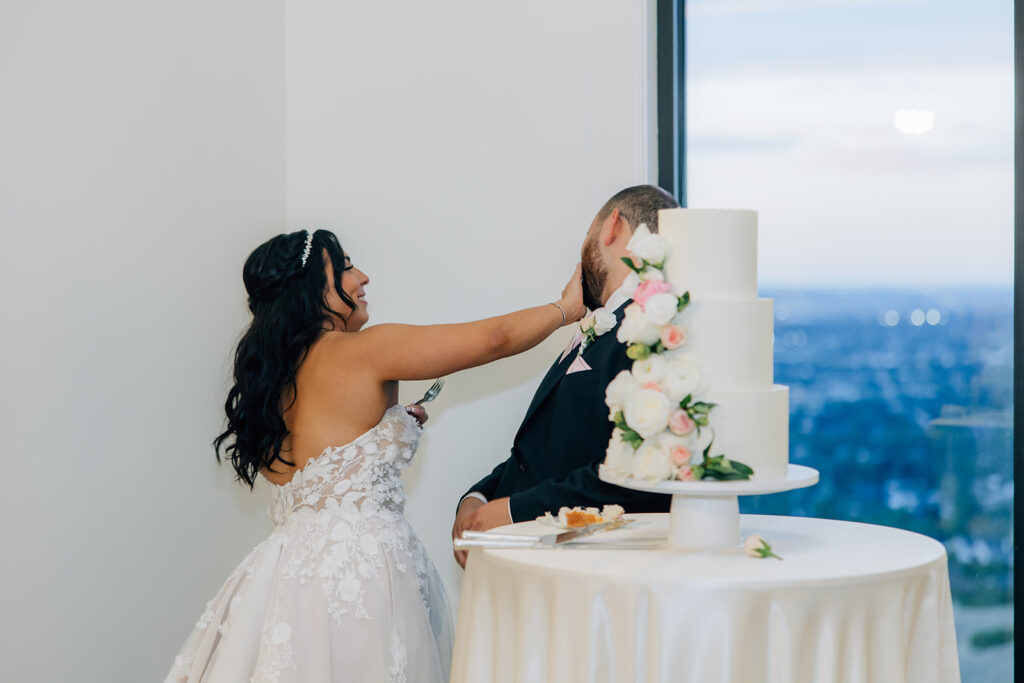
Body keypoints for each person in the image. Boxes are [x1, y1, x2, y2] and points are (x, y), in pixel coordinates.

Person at [164, 229, 584, 682]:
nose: (362, 276)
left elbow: (330, 453)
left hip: (287, 577)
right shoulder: (362, 351)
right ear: (309, 287)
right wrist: (565, 309)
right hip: (359, 577)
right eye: (344, 267)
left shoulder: (271, 383)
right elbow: (494, 338)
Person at [452, 185, 679, 568]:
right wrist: (478, 498)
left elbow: (637, 474)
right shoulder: (602, 325)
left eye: (588, 233)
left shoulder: (650, 332)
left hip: (586, 571)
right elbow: (545, 451)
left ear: (612, 226)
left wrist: (511, 512)